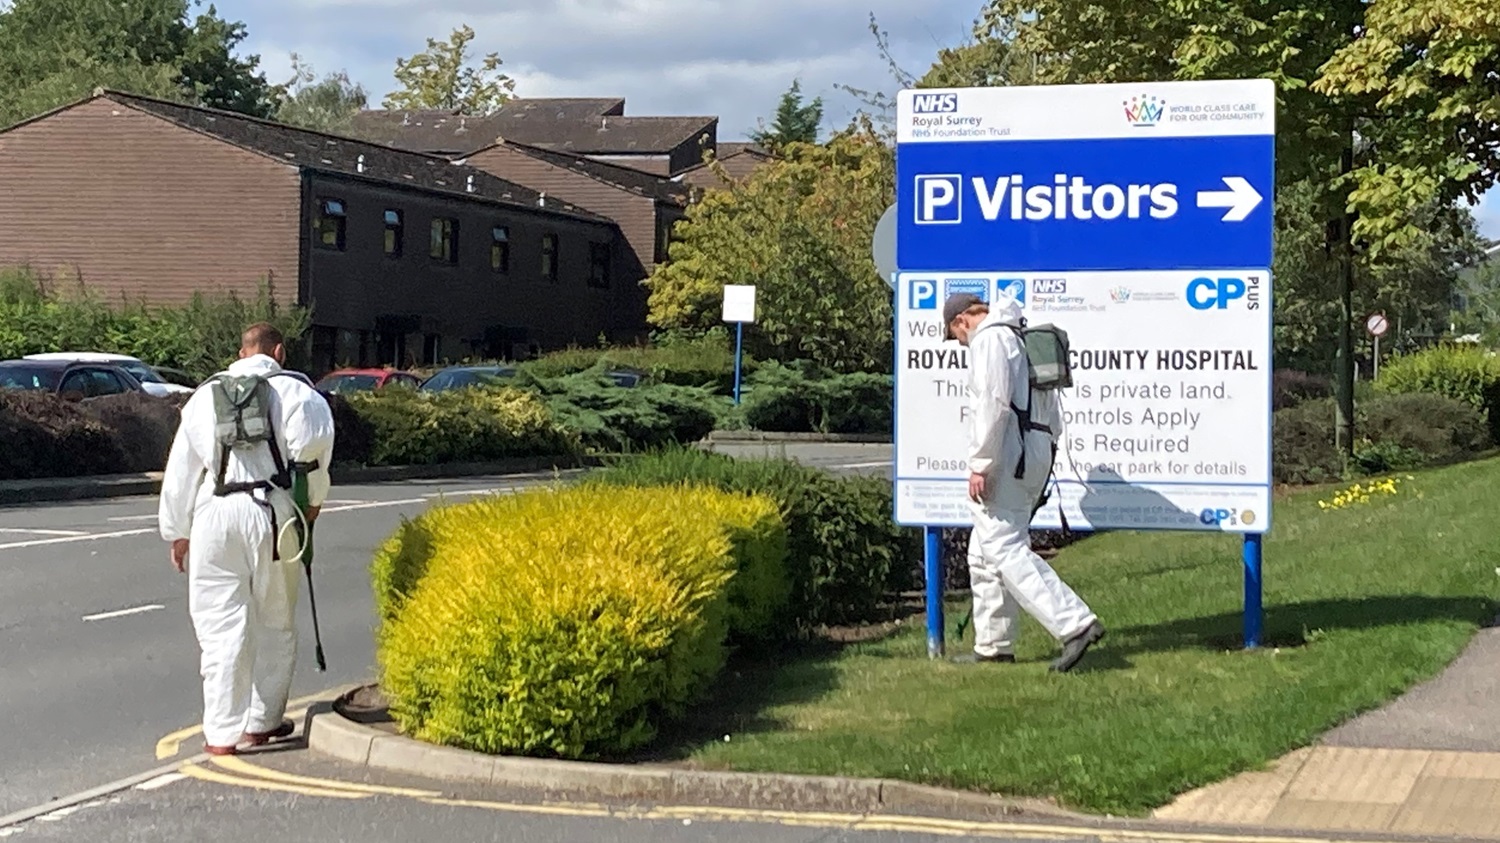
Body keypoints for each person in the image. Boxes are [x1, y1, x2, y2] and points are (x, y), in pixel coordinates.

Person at [158, 323, 336, 755]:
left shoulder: (204, 396)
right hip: (272, 515)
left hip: (213, 515)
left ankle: (220, 734)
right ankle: (261, 721)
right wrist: (310, 510)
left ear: (240, 353)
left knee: (220, 628)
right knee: (275, 620)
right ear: (279, 351)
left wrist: (178, 532)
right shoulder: (297, 394)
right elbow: (311, 459)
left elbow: (181, 470)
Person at [944, 291, 1105, 672]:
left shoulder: (990, 340)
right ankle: (994, 645)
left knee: (1004, 547)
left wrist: (980, 464)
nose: (960, 344)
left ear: (961, 321)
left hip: (1008, 458)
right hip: (1033, 451)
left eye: (956, 337)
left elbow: (992, 405)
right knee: (983, 553)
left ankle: (1075, 624)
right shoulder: (1017, 334)